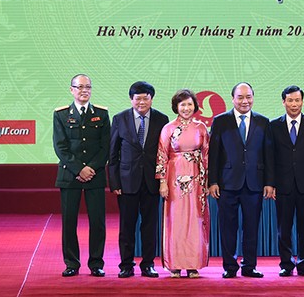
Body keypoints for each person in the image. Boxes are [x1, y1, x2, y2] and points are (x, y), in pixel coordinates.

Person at [208, 82, 275, 278]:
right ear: (233, 99)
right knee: (228, 228)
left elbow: (268, 155)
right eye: (240, 97)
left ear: (253, 98)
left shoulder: (263, 121)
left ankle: (249, 266)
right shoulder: (220, 121)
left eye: (248, 97)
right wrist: (213, 181)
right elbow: (214, 154)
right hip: (227, 183)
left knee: (251, 227)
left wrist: (269, 182)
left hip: (254, 183)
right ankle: (230, 267)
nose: (245, 101)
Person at [109, 81, 169, 278]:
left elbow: (165, 152)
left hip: (152, 182)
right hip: (127, 182)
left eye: (146, 98)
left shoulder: (162, 119)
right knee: (127, 226)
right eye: (138, 98)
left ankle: (148, 264)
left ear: (151, 99)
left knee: (150, 226)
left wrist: (163, 180)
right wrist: (115, 182)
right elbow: (113, 154)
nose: (142, 102)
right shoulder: (119, 119)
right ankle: (126, 265)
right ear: (131, 99)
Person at [53, 74, 110, 277]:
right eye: (79, 87)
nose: (84, 90)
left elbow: (105, 147)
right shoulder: (61, 114)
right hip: (70, 176)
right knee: (69, 222)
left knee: (98, 222)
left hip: (95, 175)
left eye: (87, 87)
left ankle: (96, 263)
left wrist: (91, 168)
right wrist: (79, 169)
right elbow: (60, 147)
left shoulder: (102, 114)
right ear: (72, 90)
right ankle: (71, 263)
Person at [156, 89, 210, 278]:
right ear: (176, 107)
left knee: (195, 220)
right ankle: (175, 264)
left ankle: (193, 264)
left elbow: (207, 155)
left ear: (195, 106)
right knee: (175, 220)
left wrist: (207, 182)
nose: (186, 108)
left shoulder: (201, 128)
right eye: (182, 104)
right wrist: (162, 182)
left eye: (189, 104)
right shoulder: (168, 128)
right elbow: (162, 156)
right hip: (174, 180)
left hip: (196, 180)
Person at [270, 85, 304, 277]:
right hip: (282, 185)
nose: (294, 104)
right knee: (283, 229)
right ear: (283, 102)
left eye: (297, 100)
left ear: (302, 101)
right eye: (290, 100)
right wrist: (271, 184)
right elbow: (270, 157)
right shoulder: (273, 126)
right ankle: (286, 264)